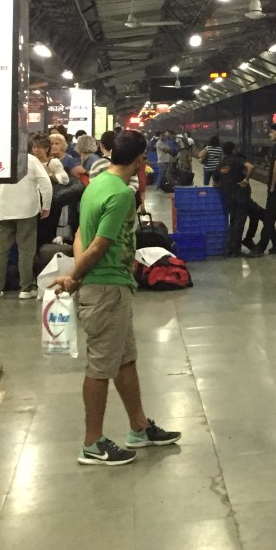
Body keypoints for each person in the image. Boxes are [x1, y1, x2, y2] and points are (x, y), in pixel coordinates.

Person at [52, 130, 181, 466]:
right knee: (100, 367)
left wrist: (76, 273)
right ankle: (92, 443)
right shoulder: (122, 194)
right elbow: (99, 245)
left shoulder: (95, 186)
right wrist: (75, 278)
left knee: (125, 359)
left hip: (111, 288)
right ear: (139, 160)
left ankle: (139, 428)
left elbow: (81, 234)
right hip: (105, 289)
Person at [0, 141, 53, 297]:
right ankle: (26, 289)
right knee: (26, 251)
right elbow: (45, 183)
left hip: (2, 210)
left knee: (0, 251)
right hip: (26, 211)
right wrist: (46, 205)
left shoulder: (0, 158)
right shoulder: (31, 160)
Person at [212, 142, 257, 257]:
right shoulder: (237, 160)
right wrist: (246, 180)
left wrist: (225, 187)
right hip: (241, 196)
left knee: (232, 222)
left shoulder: (220, 164)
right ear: (233, 150)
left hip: (228, 197)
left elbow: (215, 183)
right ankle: (236, 251)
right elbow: (251, 167)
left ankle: (229, 250)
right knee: (239, 224)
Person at [253, 125, 276, 255]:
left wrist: (272, 186)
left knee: (269, 217)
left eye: (272, 132)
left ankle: (260, 248)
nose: (269, 134)